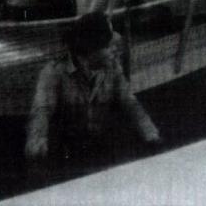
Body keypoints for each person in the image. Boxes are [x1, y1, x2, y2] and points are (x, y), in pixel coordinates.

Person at [25, 11, 161, 171]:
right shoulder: (54, 72)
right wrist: (37, 139)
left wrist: (150, 133)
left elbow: (130, 103)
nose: (114, 50)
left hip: (101, 148)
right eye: (108, 46)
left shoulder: (113, 68)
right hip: (67, 154)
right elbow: (42, 109)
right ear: (90, 49)